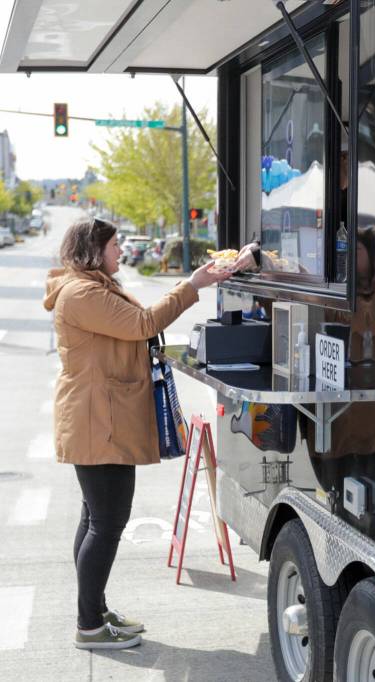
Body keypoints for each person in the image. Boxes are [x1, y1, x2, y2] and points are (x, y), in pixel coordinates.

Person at [42, 218, 230, 649]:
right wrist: (194, 283)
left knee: (95, 519)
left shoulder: (90, 286)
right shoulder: (84, 293)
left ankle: (94, 611)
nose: (121, 250)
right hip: (98, 422)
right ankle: (88, 625)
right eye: (114, 244)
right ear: (94, 250)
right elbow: (143, 323)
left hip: (101, 418)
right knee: (107, 523)